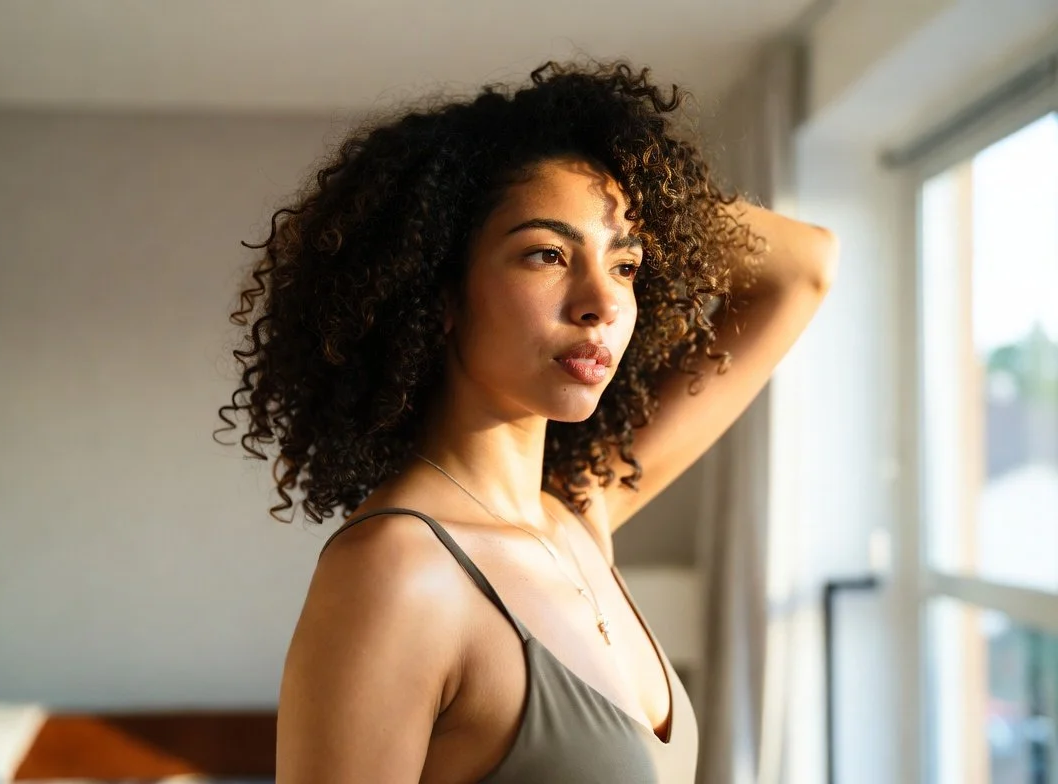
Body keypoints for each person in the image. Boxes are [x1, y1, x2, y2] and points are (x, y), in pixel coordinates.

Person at [216, 59, 838, 783]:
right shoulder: (396, 571)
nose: (601, 302)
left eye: (627, 265)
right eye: (547, 254)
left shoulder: (579, 514)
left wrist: (648, 194)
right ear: (437, 291)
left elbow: (804, 266)